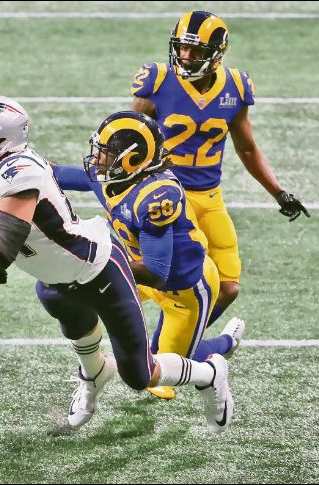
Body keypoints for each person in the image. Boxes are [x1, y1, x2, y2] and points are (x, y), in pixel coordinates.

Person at [0, 95, 234, 432]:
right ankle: (94, 377)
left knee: (139, 375)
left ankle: (210, 372)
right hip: (54, 279)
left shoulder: (19, 174)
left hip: (98, 270)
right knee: (75, 327)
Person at [130, 10, 309, 327]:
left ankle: (178, 347)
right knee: (151, 283)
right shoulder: (157, 81)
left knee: (227, 287)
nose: (185, 56)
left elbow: (247, 148)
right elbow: (133, 141)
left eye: (195, 50)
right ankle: (126, 350)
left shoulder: (235, 87)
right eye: (181, 47)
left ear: (216, 53)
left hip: (209, 198)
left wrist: (278, 192)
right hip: (167, 198)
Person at [53, 110, 244, 401]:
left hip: (184, 289)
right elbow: (53, 174)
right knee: (76, 297)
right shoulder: (108, 178)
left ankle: (225, 343)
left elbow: (157, 270)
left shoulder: (156, 195)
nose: (97, 158)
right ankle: (92, 369)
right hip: (139, 275)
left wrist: (99, 263)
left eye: (106, 152)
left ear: (131, 159)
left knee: (155, 371)